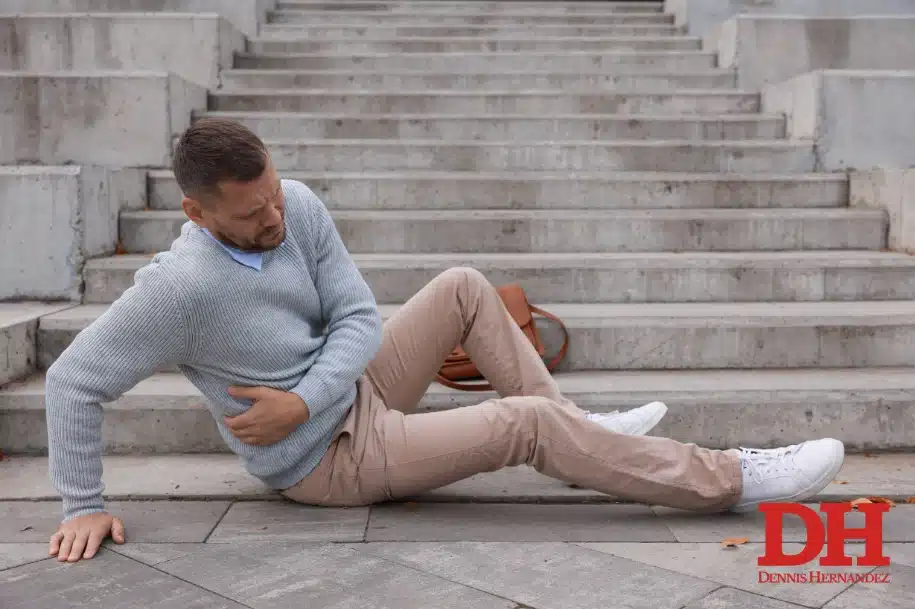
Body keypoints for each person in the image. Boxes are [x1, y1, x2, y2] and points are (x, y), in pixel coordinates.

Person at [44, 118, 845, 564]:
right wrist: (83, 505)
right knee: (523, 425)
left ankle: (579, 434)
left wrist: (304, 396)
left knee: (464, 284)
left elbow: (358, 319)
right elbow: (72, 382)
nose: (275, 220)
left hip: (337, 396)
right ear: (197, 214)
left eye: (274, 196)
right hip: (322, 463)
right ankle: (731, 479)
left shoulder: (297, 203)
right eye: (252, 217)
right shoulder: (178, 291)